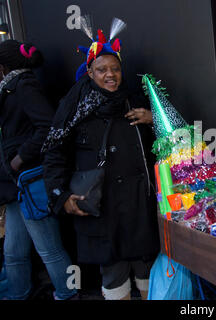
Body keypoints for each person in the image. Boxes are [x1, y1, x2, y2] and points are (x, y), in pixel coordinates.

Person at [42, 28, 160, 300]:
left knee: (147, 273)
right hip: (104, 211)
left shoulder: (135, 101)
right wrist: (60, 195)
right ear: (90, 72)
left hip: (139, 208)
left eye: (115, 69)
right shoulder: (74, 107)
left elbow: (175, 138)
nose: (110, 75)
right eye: (102, 69)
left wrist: (153, 119)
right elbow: (53, 154)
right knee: (114, 275)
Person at [0, 40, 77, 300]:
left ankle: (68, 294)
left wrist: (20, 158)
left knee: (49, 249)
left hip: (30, 180)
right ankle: (16, 294)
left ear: (3, 66)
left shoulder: (23, 86)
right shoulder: (10, 88)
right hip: (15, 186)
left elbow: (48, 126)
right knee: (13, 251)